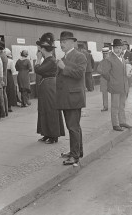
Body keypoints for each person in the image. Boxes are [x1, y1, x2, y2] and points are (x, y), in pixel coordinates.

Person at [56, 31, 87, 166]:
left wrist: (64, 67)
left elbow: (79, 74)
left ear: (72, 42)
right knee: (74, 127)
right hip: (66, 98)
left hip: (73, 98)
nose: (61, 44)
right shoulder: (64, 57)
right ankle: (77, 151)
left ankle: (74, 156)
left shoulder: (80, 56)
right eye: (60, 42)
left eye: (64, 42)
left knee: (73, 127)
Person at [34, 33, 65, 144]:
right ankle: (46, 133)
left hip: (50, 86)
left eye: (40, 49)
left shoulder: (51, 60)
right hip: (46, 86)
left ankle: (53, 135)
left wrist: (37, 60)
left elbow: (38, 70)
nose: (39, 51)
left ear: (44, 49)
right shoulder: (48, 60)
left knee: (51, 110)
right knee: (44, 109)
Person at [101, 39, 132, 132]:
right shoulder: (109, 58)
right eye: (116, 48)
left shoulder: (121, 58)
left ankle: (122, 121)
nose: (118, 50)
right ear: (113, 48)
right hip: (115, 86)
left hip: (123, 86)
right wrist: (111, 80)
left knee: (122, 105)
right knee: (115, 106)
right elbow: (104, 72)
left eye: (120, 48)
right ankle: (115, 124)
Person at [97, 47, 110, 112]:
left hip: (111, 79)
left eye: (106, 53)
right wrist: (104, 73)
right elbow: (98, 70)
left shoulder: (111, 61)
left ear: (109, 53)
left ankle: (116, 105)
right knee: (104, 93)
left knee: (114, 93)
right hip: (104, 79)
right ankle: (105, 106)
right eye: (104, 54)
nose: (105, 55)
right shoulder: (101, 62)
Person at [0, 42, 9, 115]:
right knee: (4, 95)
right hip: (4, 77)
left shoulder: (0, 56)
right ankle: (5, 111)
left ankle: (3, 112)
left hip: (1, 78)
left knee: (1, 96)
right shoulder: (3, 55)